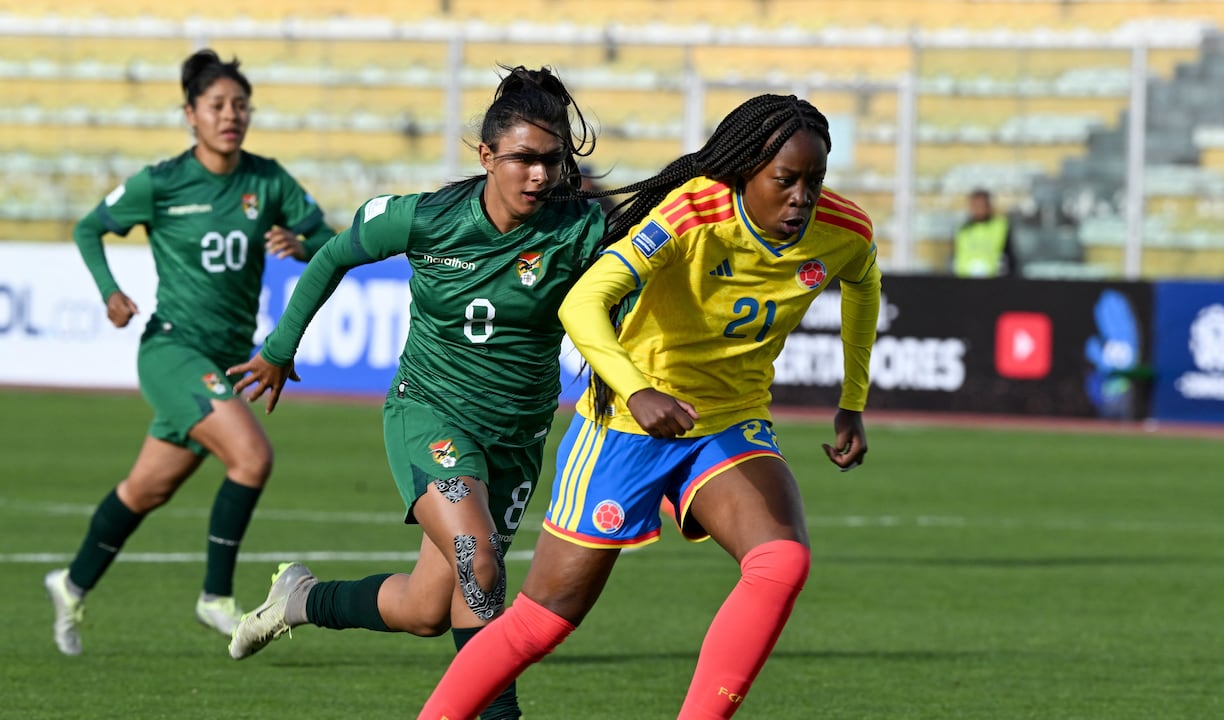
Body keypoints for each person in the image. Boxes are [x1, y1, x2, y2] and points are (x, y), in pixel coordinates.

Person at [419, 93, 881, 719]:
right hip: (626, 428)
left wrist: (852, 401)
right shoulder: (689, 214)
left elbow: (863, 283)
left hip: (726, 423)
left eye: (815, 180)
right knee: (543, 622)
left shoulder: (844, 231)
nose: (802, 197)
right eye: (786, 180)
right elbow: (580, 304)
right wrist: (637, 388)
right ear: (746, 170)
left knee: (781, 560)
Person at [225, 66, 604, 720]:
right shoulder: (427, 218)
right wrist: (281, 348)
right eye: (524, 160)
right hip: (431, 413)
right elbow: (333, 255)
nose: (540, 175)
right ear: (487, 157)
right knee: (477, 561)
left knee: (428, 609)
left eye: (553, 161)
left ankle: (302, 599)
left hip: (517, 437)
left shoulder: (581, 230)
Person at [44, 49, 336, 656]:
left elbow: (330, 240)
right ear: (191, 115)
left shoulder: (268, 181)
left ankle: (69, 584)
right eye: (217, 106)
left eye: (240, 105)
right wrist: (110, 292)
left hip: (224, 357)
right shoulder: (163, 182)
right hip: (172, 350)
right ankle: (215, 597)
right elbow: (87, 227)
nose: (231, 116)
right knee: (252, 458)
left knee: (145, 491)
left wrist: (302, 241)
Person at [951, 188, 1017, 278]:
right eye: (975, 205)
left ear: (988, 206)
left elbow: (1009, 258)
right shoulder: (962, 230)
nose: (978, 209)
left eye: (981, 205)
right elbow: (957, 258)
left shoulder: (1001, 226)